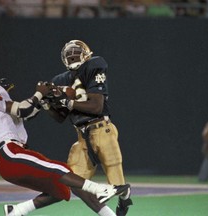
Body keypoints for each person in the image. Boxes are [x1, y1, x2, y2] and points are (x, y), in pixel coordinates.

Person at [0, 74, 130, 216]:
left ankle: (17, 211)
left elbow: (30, 111)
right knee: (61, 170)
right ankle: (100, 189)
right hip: (10, 152)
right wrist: (40, 92)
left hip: (10, 159)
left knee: (61, 188)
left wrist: (45, 99)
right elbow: (23, 110)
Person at [41, 40, 133, 216]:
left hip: (101, 128)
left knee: (116, 182)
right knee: (74, 181)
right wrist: (47, 104)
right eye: (69, 54)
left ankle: (124, 196)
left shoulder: (94, 65)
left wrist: (67, 101)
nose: (72, 56)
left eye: (75, 52)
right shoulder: (60, 80)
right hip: (82, 137)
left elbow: (96, 106)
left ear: (86, 54)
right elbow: (60, 117)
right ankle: (109, 212)